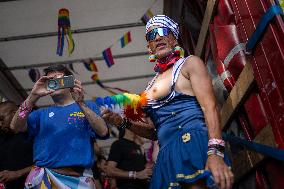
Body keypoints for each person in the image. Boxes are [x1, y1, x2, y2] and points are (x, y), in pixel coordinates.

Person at [101, 15, 234, 189]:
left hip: (193, 144)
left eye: (162, 31)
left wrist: (215, 152)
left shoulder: (189, 64)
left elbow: (210, 107)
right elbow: (154, 133)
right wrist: (123, 121)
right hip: (166, 156)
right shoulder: (149, 88)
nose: (157, 37)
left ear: (174, 38)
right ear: (149, 47)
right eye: (151, 36)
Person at [10, 65, 109, 189]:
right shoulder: (40, 114)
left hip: (79, 179)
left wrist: (80, 103)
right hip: (44, 177)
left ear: (70, 82)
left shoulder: (89, 106)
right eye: (50, 80)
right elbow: (14, 127)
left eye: (59, 79)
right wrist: (33, 95)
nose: (55, 82)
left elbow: (103, 131)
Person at [0, 101, 33, 189]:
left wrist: (18, 173)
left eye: (2, 119)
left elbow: (46, 164)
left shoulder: (34, 131)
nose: (0, 124)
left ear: (15, 113)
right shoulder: (3, 137)